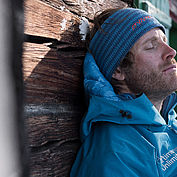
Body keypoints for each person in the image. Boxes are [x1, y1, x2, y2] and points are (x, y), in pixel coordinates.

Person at [70, 2, 177, 177]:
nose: (171, 51)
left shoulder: (168, 121)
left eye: (164, 41)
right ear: (118, 70)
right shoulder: (115, 155)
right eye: (151, 45)